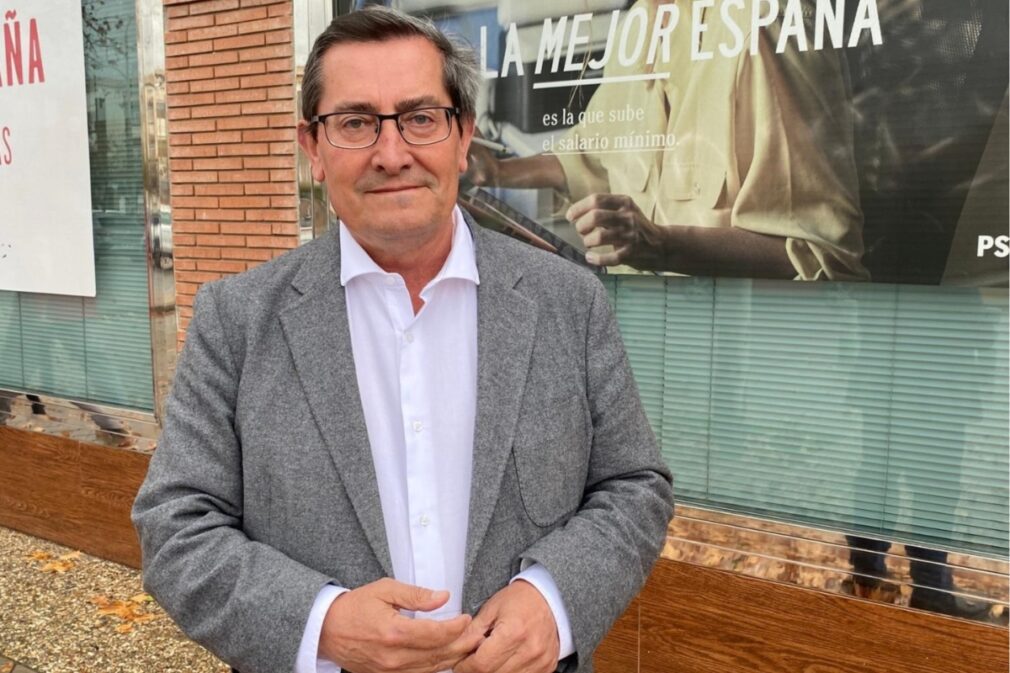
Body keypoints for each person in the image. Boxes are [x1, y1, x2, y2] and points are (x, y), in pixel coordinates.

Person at [131, 7, 674, 673]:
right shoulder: (236, 320)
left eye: (420, 117)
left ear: (463, 135)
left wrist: (553, 598)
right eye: (356, 122)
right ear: (314, 147)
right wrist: (321, 622)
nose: (393, 155)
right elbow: (176, 527)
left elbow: (633, 484)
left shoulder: (568, 302)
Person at [468, 0, 868, 281]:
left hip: (746, 361)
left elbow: (822, 257)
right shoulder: (640, 21)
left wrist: (662, 245)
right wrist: (499, 170)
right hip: (651, 346)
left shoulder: (764, 22)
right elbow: (591, 155)